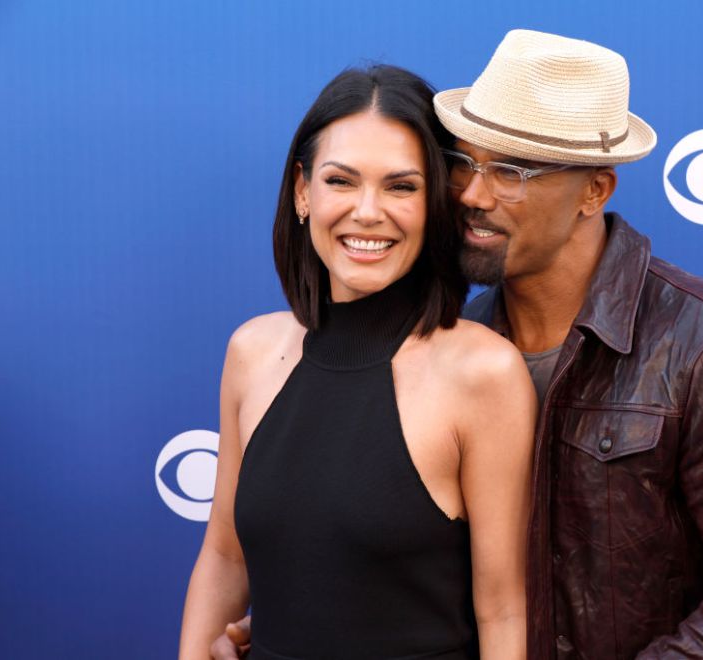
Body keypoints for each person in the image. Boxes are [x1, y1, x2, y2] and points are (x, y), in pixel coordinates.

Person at [214, 30, 703, 659]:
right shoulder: (455, 341)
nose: (474, 197)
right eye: (463, 165)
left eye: (512, 172)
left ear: (595, 190)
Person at [180, 65, 535, 660]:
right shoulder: (252, 352)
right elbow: (223, 556)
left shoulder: (484, 374)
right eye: (341, 181)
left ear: (436, 206)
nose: (368, 212)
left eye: (401, 187)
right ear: (302, 191)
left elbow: (502, 609)